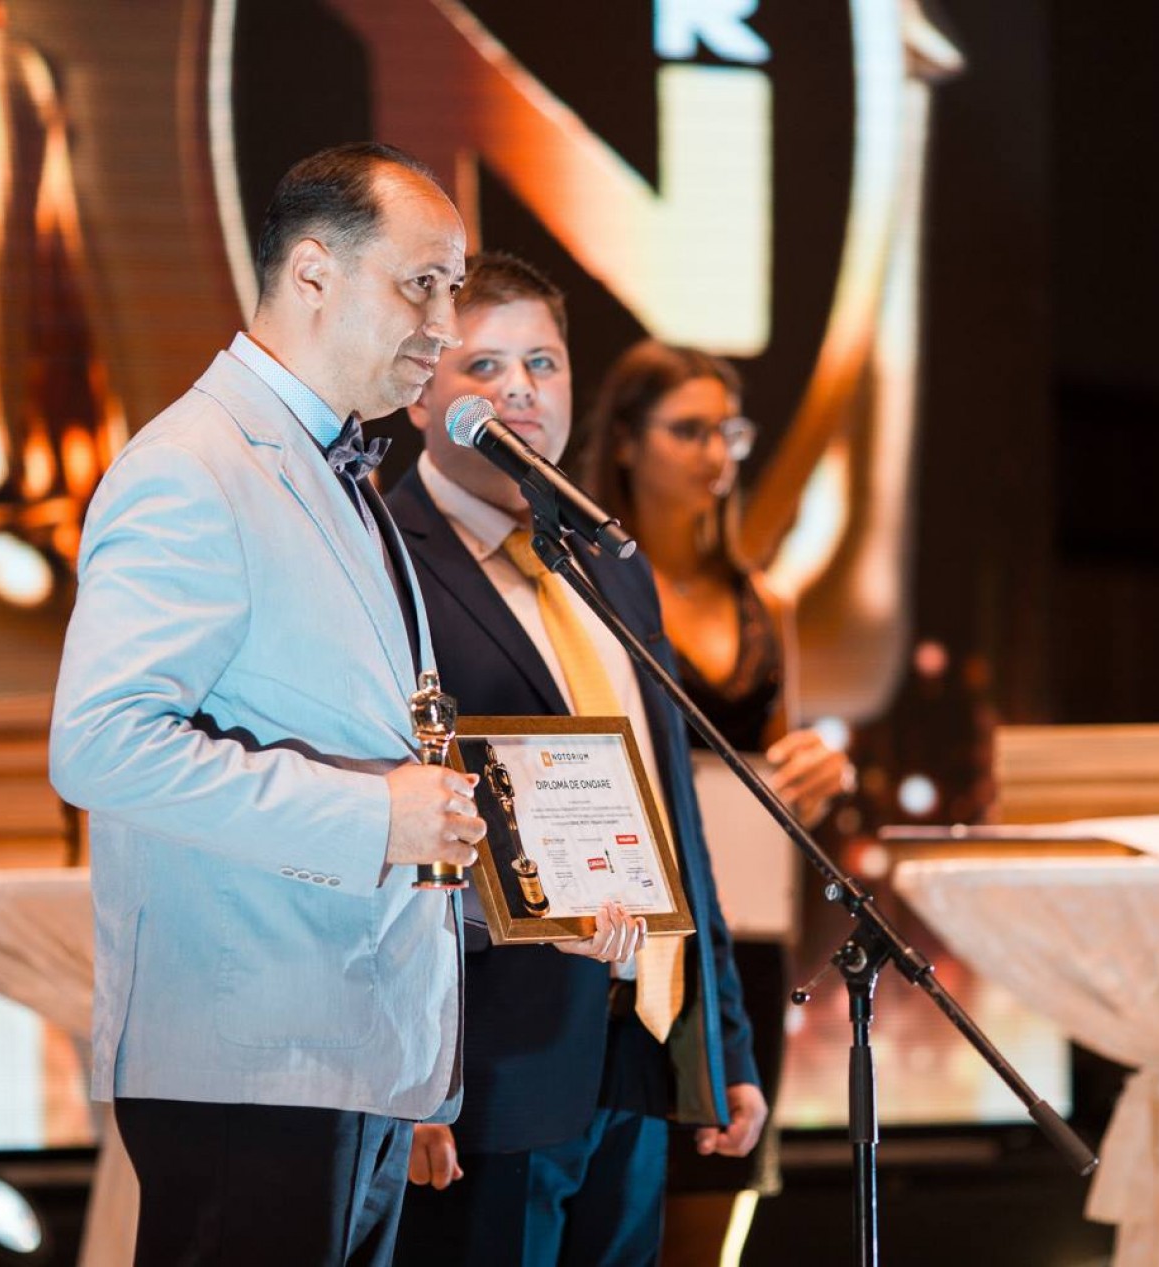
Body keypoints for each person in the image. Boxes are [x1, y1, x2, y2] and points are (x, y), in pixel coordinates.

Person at [49, 143, 484, 1267]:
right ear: (312, 273)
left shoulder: (338, 465)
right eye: (421, 284)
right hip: (252, 1059)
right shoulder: (193, 464)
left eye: (453, 288)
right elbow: (100, 744)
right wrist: (374, 817)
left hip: (348, 1050)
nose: (445, 325)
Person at [386, 253, 766, 1267]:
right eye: (484, 366)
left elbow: (676, 818)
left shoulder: (607, 561)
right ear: (420, 391)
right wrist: (406, 1077)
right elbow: (375, 839)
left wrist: (722, 1040)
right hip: (487, 1069)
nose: (519, 389)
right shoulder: (384, 561)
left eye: (542, 364)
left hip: (637, 1043)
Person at [580, 339, 855, 1262]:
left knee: (716, 1191)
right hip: (624, 925)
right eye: (688, 430)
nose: (715, 455)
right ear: (626, 441)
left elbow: (780, 774)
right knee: (609, 1199)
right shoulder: (579, 584)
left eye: (728, 433)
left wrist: (824, 771)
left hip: (740, 936)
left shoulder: (762, 601)